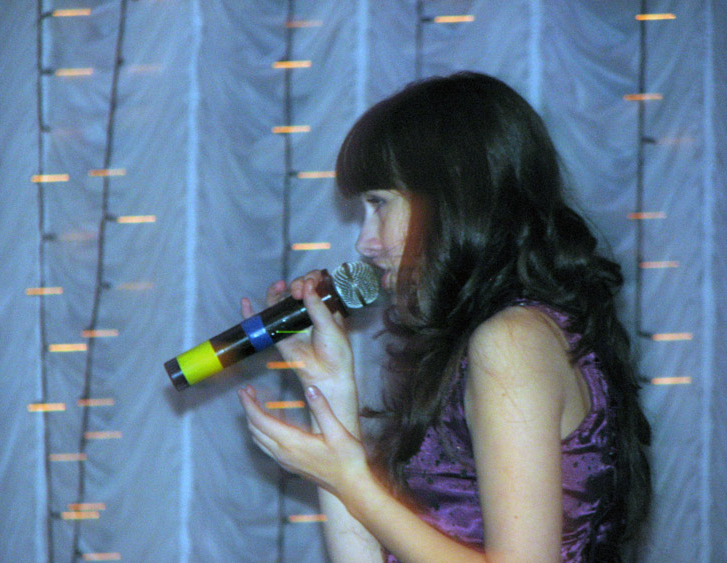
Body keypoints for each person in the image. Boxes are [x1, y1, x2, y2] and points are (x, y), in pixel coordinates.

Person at [237, 72, 651, 563]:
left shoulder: (513, 339)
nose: (365, 243)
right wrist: (328, 387)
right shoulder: (492, 338)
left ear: (453, 198)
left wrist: (350, 479)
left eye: (379, 204)